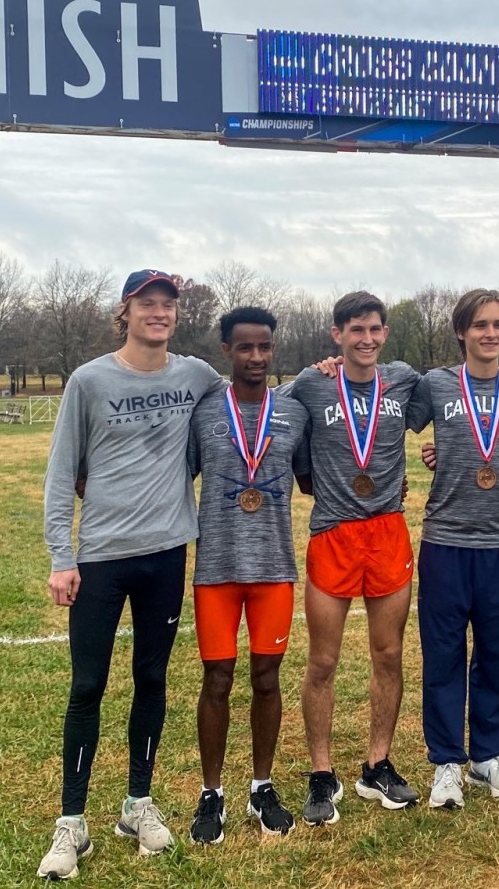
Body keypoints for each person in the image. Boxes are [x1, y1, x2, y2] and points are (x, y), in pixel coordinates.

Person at [38, 270, 223, 880]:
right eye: (148, 303)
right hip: (100, 557)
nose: (160, 313)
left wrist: (324, 371)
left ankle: (137, 804)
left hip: (167, 552)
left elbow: (245, 403)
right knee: (87, 686)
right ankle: (72, 823)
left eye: (168, 305)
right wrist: (61, 557)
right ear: (127, 311)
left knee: (151, 678)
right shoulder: (89, 380)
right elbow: (63, 471)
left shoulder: (196, 375)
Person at [281, 290, 422, 826]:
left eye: (374, 329)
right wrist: (303, 478)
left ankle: (377, 764)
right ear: (336, 335)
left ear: (385, 334)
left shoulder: (405, 380)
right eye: (355, 330)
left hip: (387, 531)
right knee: (323, 661)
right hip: (334, 533)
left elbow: (462, 393)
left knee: (388, 655)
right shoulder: (312, 383)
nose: (366, 339)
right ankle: (322, 772)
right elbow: (274, 420)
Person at [405, 289, 499, 809]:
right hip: (445, 540)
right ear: (461, 331)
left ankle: (487, 756)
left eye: (498, 325)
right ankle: (445, 763)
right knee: (443, 655)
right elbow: (389, 417)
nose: (490, 333)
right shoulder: (435, 384)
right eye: (479, 325)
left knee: (496, 653)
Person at [187, 307, 312, 843]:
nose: (256, 357)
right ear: (226, 352)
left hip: (274, 571)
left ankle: (261, 786)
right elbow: (168, 472)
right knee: (216, 680)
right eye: (245, 347)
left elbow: (315, 477)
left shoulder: (294, 414)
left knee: (267, 679)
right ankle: (210, 793)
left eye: (264, 347)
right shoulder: (202, 411)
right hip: (215, 569)